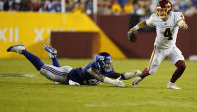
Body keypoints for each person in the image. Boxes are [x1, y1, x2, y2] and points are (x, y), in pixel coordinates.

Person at [7, 44, 141, 87]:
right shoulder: (93, 67)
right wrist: (114, 83)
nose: (108, 65)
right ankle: (22, 50)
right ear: (100, 62)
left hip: (71, 77)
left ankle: (53, 56)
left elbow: (121, 76)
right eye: (106, 63)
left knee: (55, 79)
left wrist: (133, 73)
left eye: (109, 63)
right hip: (65, 75)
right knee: (43, 69)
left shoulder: (106, 69)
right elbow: (100, 78)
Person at [128, 0, 188, 89]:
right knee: (151, 71)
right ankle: (140, 77)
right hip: (159, 49)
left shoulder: (176, 16)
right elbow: (145, 22)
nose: (160, 12)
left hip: (172, 48)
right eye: (159, 10)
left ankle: (171, 83)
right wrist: (135, 27)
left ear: (168, 10)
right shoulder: (155, 18)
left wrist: (183, 24)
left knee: (182, 66)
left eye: (162, 10)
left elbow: (181, 22)